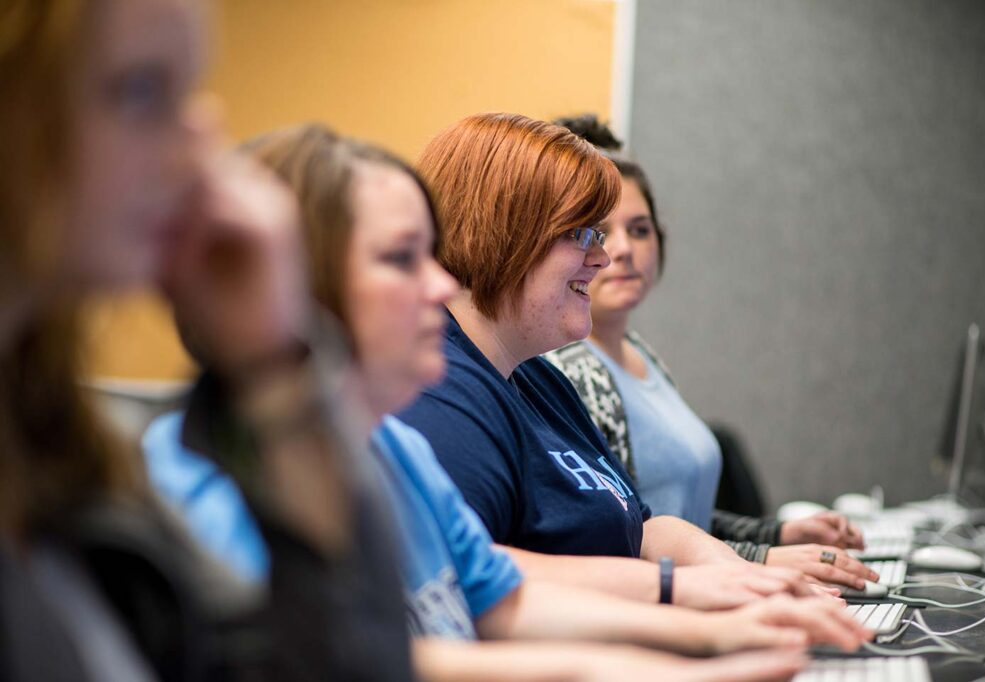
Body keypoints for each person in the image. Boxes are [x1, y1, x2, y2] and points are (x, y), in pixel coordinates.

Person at [145, 122, 869, 681]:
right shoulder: (204, 475)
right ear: (300, 282)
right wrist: (659, 647)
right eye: (402, 260)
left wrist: (713, 627)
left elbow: (499, 600)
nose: (439, 283)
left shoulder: (390, 448)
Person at [0, 1, 412, 679]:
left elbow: (340, 663)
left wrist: (270, 364)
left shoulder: (52, 444)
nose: (198, 156)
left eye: (189, 95)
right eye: (140, 91)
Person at [396, 112, 871, 601]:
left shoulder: (539, 379)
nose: (601, 258)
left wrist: (741, 573)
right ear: (503, 233)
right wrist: (679, 592)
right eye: (580, 233)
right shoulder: (439, 392)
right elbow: (477, 572)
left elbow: (640, 528)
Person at [545, 114, 870, 586]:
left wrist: (777, 533)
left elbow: (681, 513)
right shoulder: (569, 369)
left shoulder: (641, 355)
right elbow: (624, 534)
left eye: (639, 229)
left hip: (708, 589)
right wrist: (759, 557)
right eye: (598, 231)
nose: (623, 250)